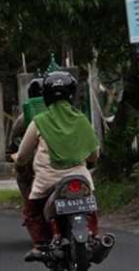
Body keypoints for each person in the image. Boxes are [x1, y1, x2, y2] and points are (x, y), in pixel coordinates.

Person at [13, 71, 100, 261]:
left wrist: (19, 161)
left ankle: (40, 245)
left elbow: (22, 156)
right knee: (90, 206)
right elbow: (94, 155)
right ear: (72, 94)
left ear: (45, 96)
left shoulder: (39, 121)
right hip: (80, 179)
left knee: (32, 210)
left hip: (47, 182)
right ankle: (94, 236)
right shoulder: (82, 120)